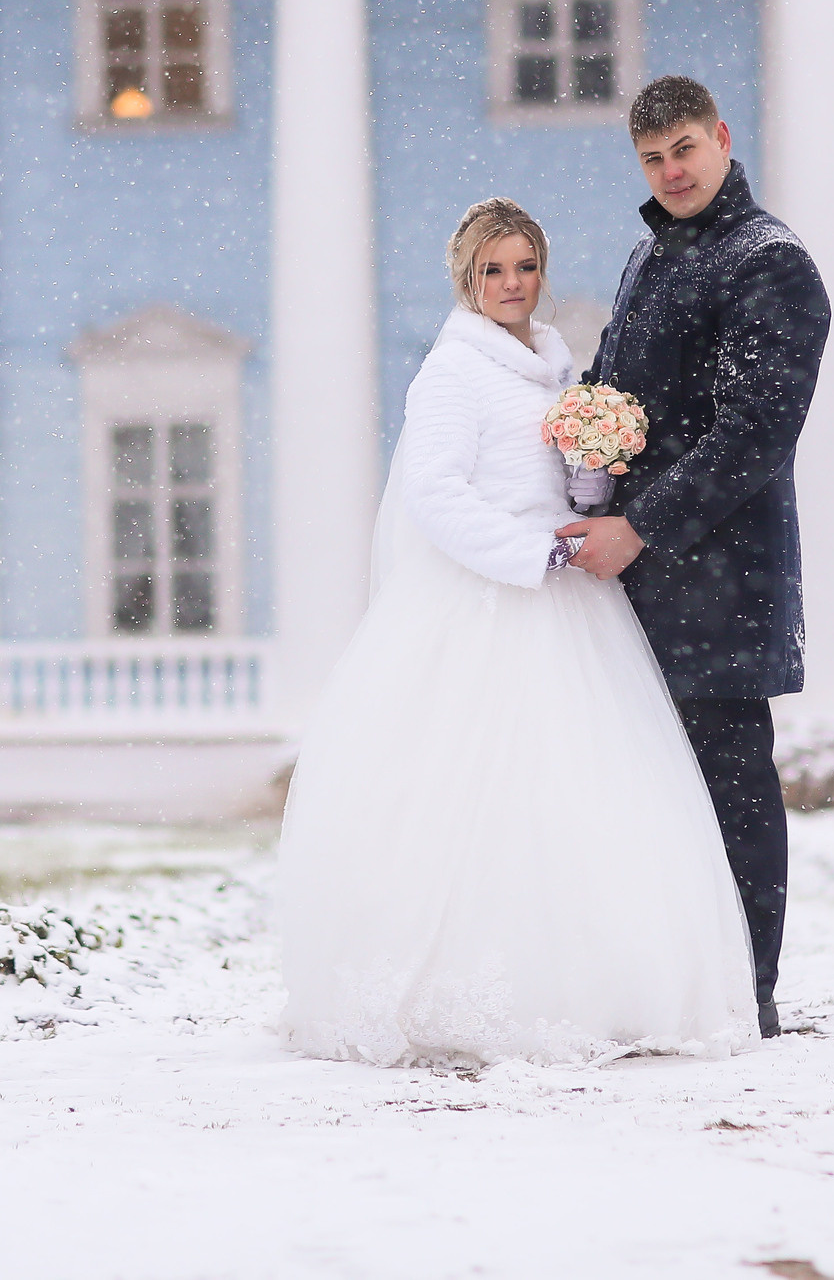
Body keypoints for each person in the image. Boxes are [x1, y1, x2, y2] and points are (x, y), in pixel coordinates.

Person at [277, 197, 757, 1069]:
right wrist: (527, 553)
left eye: (525, 267)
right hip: (489, 598)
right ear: (468, 278)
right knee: (476, 798)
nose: (511, 284)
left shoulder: (553, 364)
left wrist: (591, 470)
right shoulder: (453, 372)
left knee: (587, 794)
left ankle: (602, 984)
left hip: (569, 599)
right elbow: (434, 490)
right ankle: (467, 990)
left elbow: (571, 496)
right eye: (493, 270)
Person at [560, 76, 831, 1041]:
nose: (670, 170)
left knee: (729, 790)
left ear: (720, 137)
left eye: (683, 148)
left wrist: (640, 524)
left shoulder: (772, 264)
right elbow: (609, 388)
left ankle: (742, 996)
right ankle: (666, 988)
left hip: (723, 579)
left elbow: (753, 431)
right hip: (634, 583)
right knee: (647, 792)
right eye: (651, 157)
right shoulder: (650, 255)